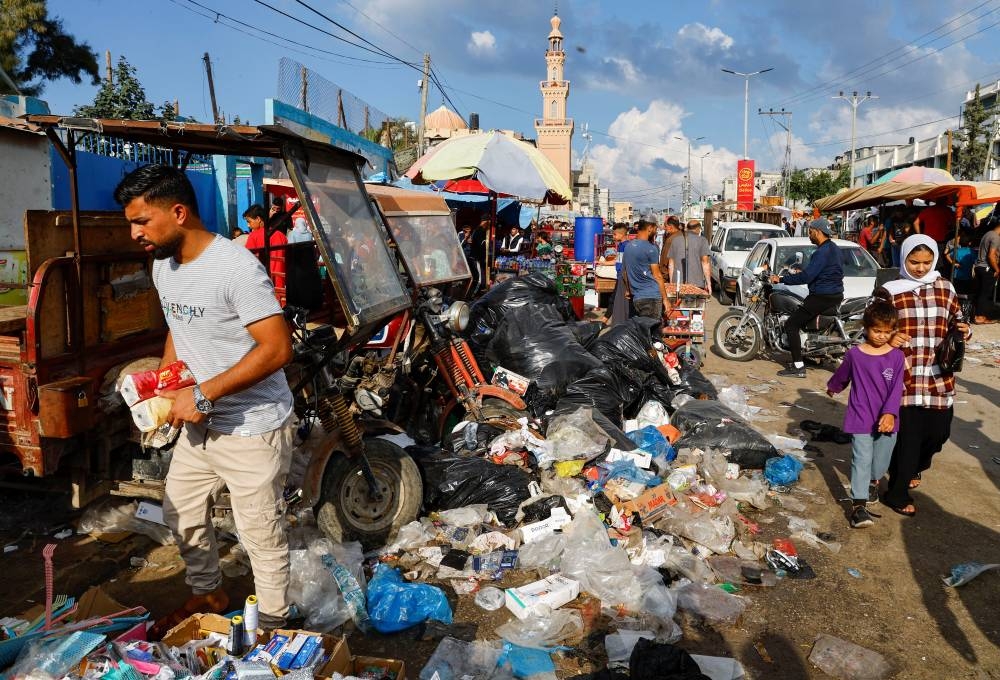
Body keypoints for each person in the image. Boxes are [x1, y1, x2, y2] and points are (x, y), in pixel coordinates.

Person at [114, 165, 295, 633]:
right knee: (180, 506)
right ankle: (208, 592)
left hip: (253, 426)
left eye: (142, 221)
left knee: (261, 533)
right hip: (201, 422)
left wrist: (204, 393)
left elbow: (276, 348)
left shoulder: (234, 267)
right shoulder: (163, 265)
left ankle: (272, 624)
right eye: (131, 223)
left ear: (178, 212)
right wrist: (167, 382)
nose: (134, 233)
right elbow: (180, 326)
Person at [876, 235, 970, 517]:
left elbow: (958, 321)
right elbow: (871, 326)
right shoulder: (889, 291)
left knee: (938, 433)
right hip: (905, 375)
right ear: (902, 259)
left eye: (926, 262)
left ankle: (914, 466)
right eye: (913, 262)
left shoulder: (945, 287)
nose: (919, 268)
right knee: (909, 437)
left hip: (939, 375)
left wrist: (965, 330)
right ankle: (897, 492)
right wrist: (890, 336)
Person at [826, 301, 906, 528]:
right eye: (877, 330)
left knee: (880, 461)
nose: (881, 336)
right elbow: (842, 375)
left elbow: (896, 388)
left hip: (888, 418)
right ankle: (858, 507)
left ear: (894, 330)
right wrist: (834, 387)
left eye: (887, 331)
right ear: (866, 327)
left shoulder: (897, 357)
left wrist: (890, 414)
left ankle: (873, 481)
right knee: (861, 459)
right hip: (860, 414)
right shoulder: (855, 355)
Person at [770, 218, 844, 378]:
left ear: (817, 232)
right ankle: (809, 354)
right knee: (804, 321)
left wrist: (782, 279)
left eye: (810, 231)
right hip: (834, 294)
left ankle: (798, 367)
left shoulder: (821, 252)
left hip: (822, 296)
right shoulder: (834, 248)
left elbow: (808, 276)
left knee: (791, 324)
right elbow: (820, 271)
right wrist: (801, 272)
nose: (809, 234)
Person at [622, 220, 670, 319]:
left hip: (637, 298)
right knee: (652, 330)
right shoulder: (651, 248)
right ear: (649, 228)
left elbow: (625, 272)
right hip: (652, 297)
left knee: (640, 330)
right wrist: (665, 299)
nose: (656, 232)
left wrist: (628, 289)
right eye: (655, 229)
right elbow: (657, 275)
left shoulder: (628, 247)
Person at [244, 204, 288, 296]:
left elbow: (248, 260)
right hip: (282, 282)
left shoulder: (253, 236)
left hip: (264, 282)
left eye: (249, 221)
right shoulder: (281, 235)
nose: (248, 225)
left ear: (258, 219)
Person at [667, 220, 712, 294]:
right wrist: (709, 283)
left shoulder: (675, 240)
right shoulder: (702, 240)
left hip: (678, 284)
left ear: (687, 228)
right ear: (698, 229)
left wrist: (672, 282)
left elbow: (670, 264)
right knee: (696, 305)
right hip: (697, 284)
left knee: (678, 304)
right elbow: (705, 263)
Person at [973, 219, 1000, 324]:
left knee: (980, 292)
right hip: (987, 268)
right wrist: (997, 269)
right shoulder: (996, 237)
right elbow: (991, 255)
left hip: (979, 267)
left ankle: (976, 315)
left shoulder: (987, 234)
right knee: (985, 294)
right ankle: (980, 317)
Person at [944, 232, 975, 296]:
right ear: (970, 243)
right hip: (967, 277)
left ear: (959, 242)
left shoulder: (957, 251)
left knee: (956, 293)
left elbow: (947, 255)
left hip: (956, 276)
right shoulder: (971, 251)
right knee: (965, 294)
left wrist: (953, 263)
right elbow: (976, 261)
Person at [658, 215, 682, 281]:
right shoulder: (681, 236)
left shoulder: (671, 239)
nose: (664, 228)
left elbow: (665, 260)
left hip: (668, 275)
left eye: (666, 226)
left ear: (671, 227)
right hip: (679, 274)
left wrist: (663, 276)